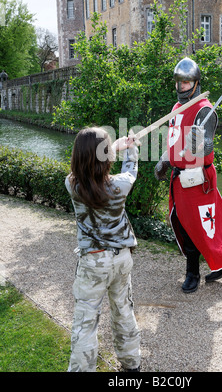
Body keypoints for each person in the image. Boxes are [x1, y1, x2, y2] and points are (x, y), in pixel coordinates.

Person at [155, 57, 222, 293]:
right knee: (199, 224)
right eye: (179, 82)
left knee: (195, 226)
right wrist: (164, 160)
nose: (181, 87)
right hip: (179, 177)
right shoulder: (177, 108)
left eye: (186, 83)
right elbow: (174, 141)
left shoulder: (205, 110)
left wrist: (200, 143)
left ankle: (192, 274)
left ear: (195, 83)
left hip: (197, 180)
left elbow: (207, 149)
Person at [66, 127, 141, 372]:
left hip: (93, 263)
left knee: (85, 323)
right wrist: (129, 149)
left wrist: (111, 148)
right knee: (123, 311)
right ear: (106, 156)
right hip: (121, 260)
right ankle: (132, 366)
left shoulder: (72, 185)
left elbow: (84, 170)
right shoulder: (120, 186)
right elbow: (131, 170)